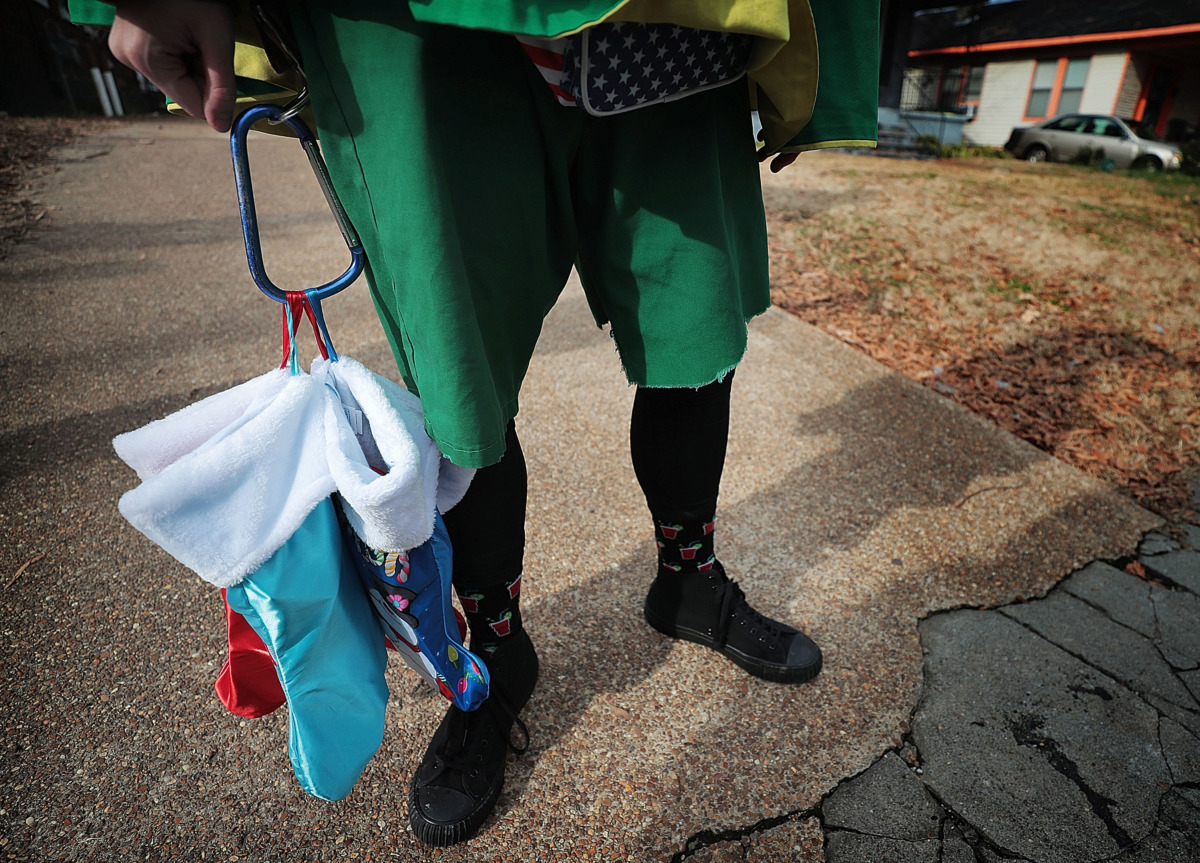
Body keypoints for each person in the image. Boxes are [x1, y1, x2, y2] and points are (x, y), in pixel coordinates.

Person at [92, 0, 878, 847]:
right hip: (418, 32)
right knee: (460, 386)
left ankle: (687, 579)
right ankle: (495, 650)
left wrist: (827, 68)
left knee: (695, 329)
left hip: (682, 30)